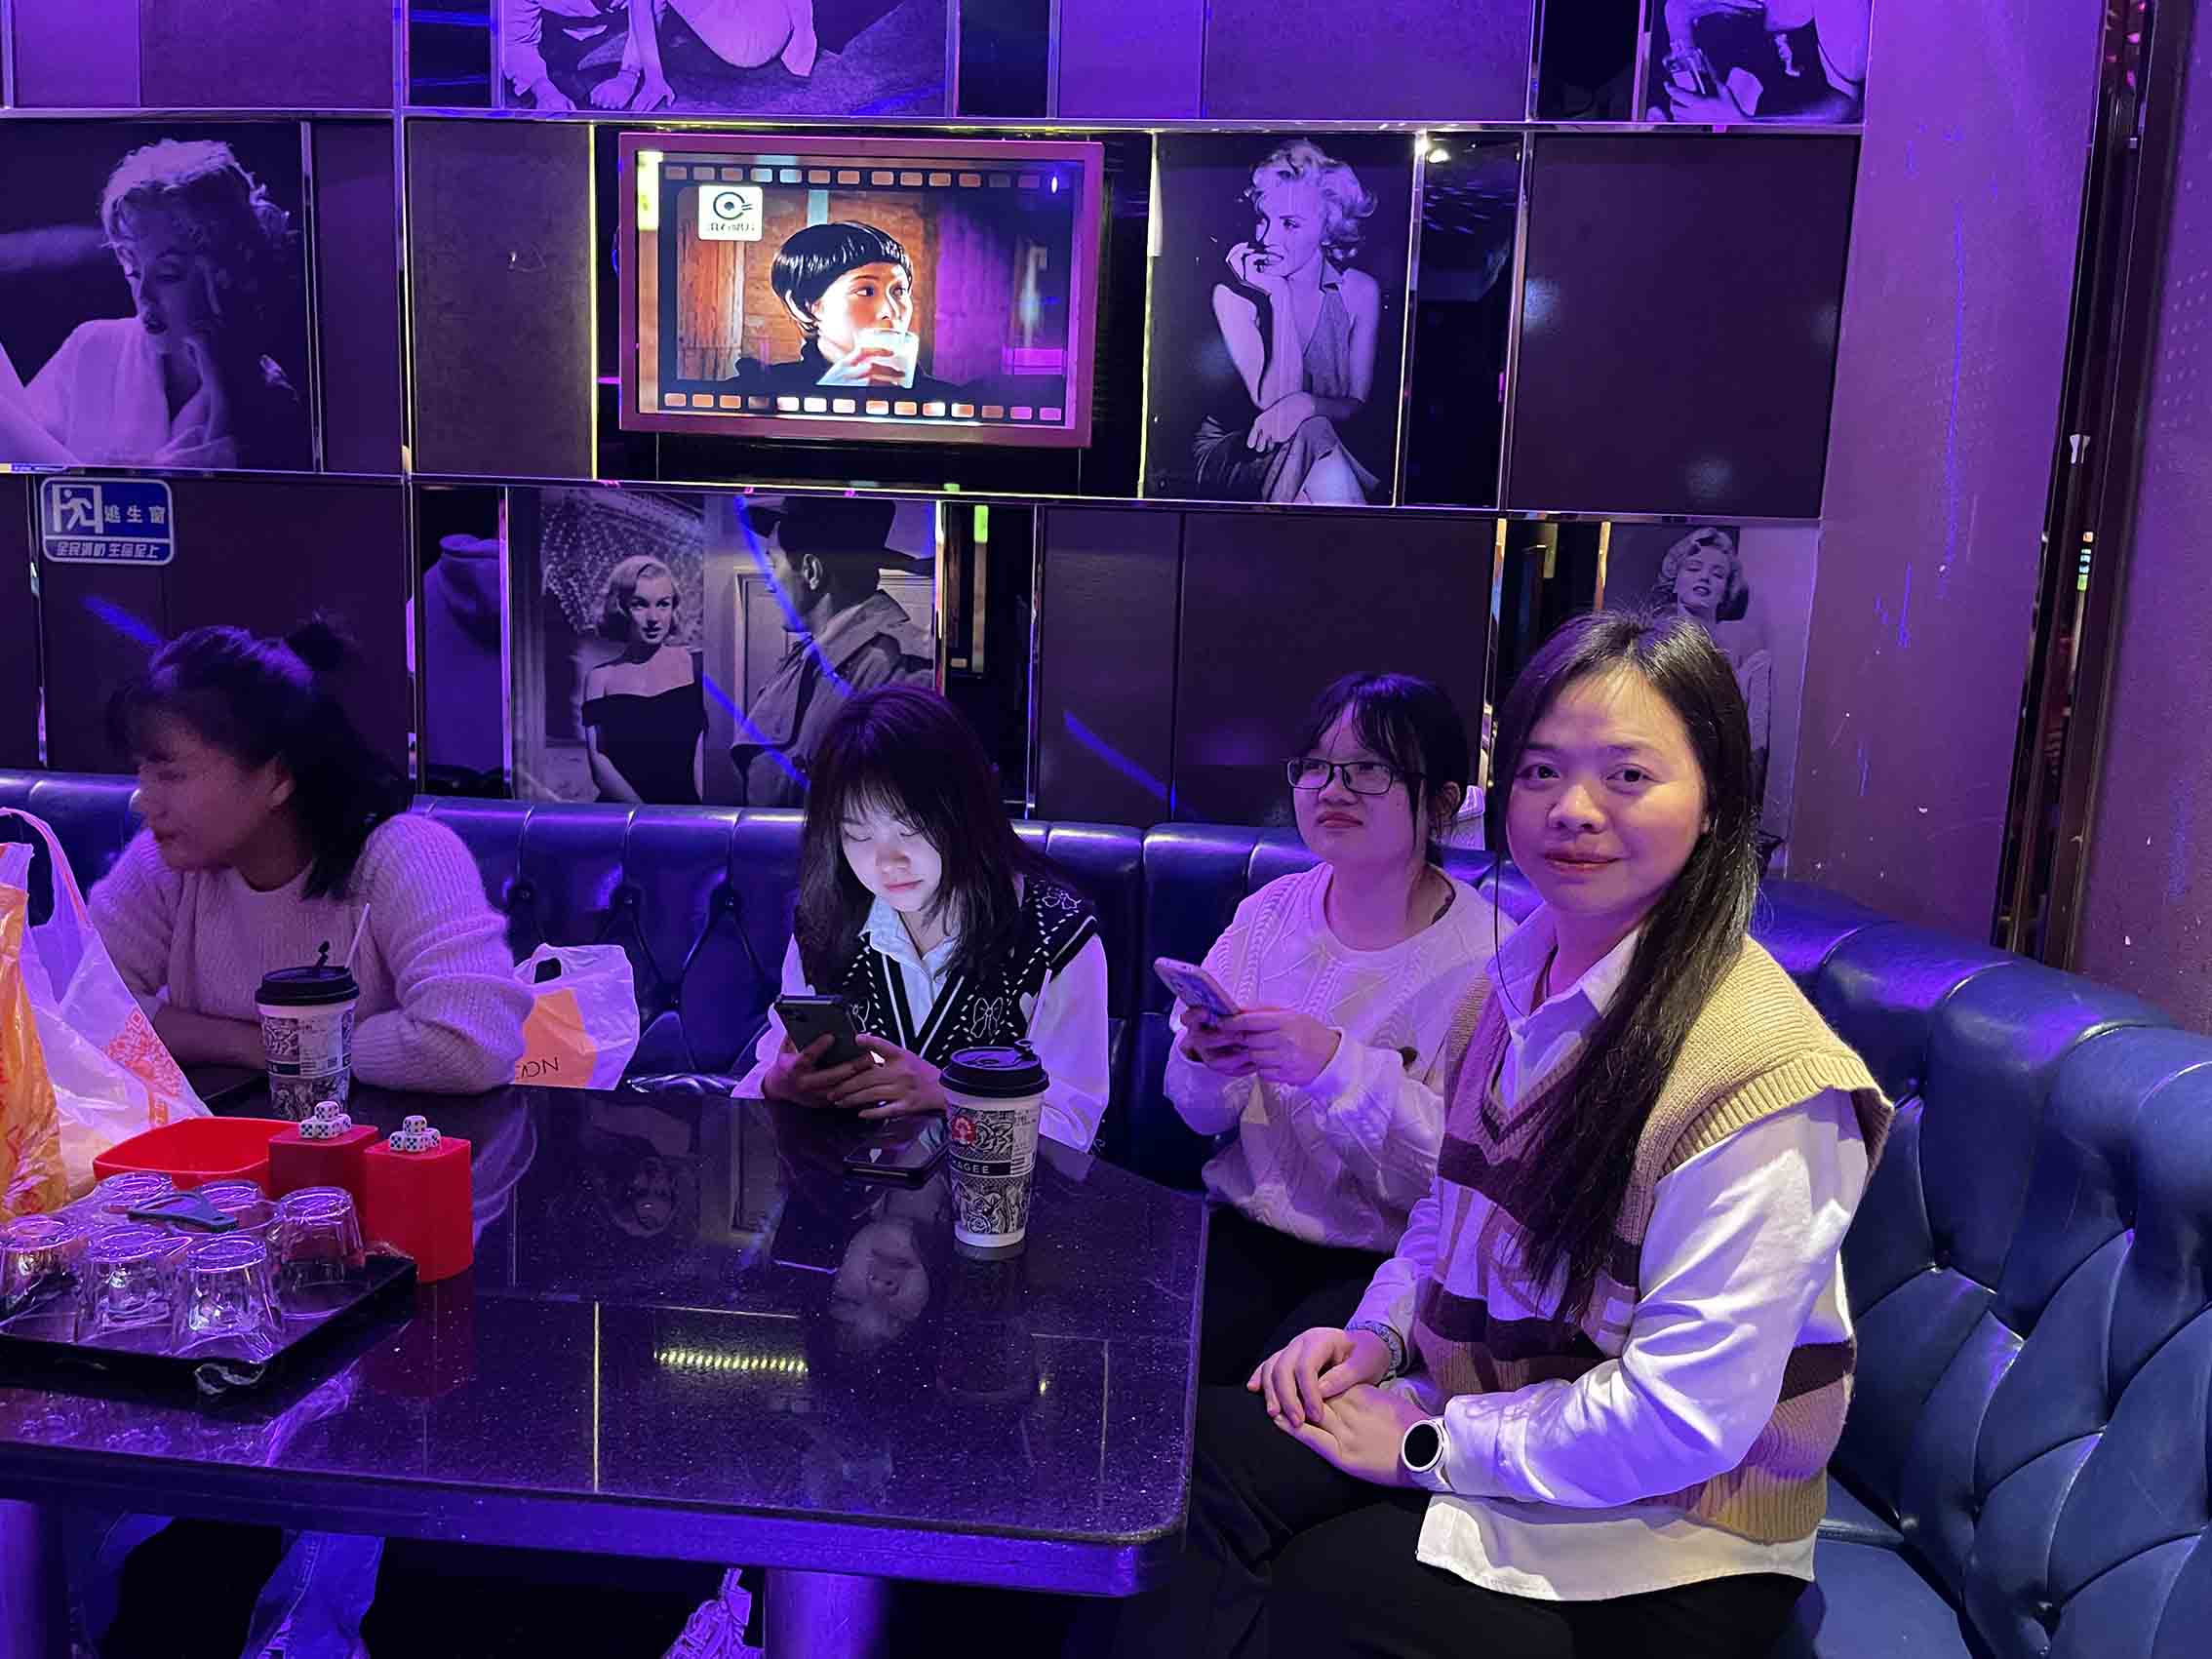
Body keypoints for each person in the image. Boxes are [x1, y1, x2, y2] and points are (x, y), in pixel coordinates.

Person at [1129, 610, 1891, 1658]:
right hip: (1489, 1417)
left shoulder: (1763, 1079)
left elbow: (1681, 1420)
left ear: (1715, 800)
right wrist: (1378, 1337)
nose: (1573, 807)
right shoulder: (1513, 980)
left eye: (1628, 775)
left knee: (1319, 1590)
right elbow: (1448, 1210)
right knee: (1175, 1471)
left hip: (1671, 1535)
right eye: (1540, 771)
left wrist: (1426, 1442)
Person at [78, 623, 529, 1659]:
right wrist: (271, 1039)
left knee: (346, 1404)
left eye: (171, 771)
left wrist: (225, 1034)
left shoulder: (396, 856)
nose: (144, 800)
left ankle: (308, 1632)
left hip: (390, 1233)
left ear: (274, 777)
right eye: (142, 771)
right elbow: (93, 1008)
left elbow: (472, 1038)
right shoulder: (170, 867)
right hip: (213, 1214)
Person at [1165, 673, 1503, 1387]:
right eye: (1316, 766)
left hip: (1383, 1270)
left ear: (1443, 802)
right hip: (1236, 1234)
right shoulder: (1270, 912)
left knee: (1263, 1415)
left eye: (1369, 769)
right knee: (1148, 1386)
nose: (1332, 789)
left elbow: (1459, 1174)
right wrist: (1205, 1057)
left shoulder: (1486, 955)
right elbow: (1198, 1116)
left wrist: (1332, 1065)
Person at [736, 685, 1110, 1154]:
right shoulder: (824, 923)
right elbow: (766, 1072)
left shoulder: (1057, 935)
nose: (887, 862)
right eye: (857, 835)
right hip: (849, 1191)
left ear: (966, 808)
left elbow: (1073, 1129)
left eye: (910, 828)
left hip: (997, 1198)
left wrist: (949, 1094)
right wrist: (780, 1085)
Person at [25, 138, 307, 470]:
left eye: (169, 274)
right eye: (132, 268)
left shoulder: (270, 396)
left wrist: (224, 392)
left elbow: (217, 495)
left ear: (226, 269)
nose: (143, 295)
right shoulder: (91, 347)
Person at [1192, 138, 1383, 505]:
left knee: (1314, 433)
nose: (1267, 237)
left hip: (1316, 444)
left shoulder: (1360, 292)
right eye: (1263, 219)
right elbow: (1273, 403)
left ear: (1328, 227)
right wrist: (1278, 297)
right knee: (1315, 437)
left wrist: (1306, 405)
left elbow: (1356, 402)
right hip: (1235, 450)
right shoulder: (1231, 295)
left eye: (1290, 223)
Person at [730, 496, 933, 808]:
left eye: (774, 565)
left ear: (812, 571)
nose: (770, 584)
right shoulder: (805, 659)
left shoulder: (903, 671)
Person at [722, 222, 964, 398]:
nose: (891, 311)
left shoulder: (951, 402)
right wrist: (824, 397)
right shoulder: (755, 392)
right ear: (805, 306)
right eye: (866, 291)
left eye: (899, 291)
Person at [1647, 527, 1773, 825]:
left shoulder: (1747, 655)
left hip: (1717, 798)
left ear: (1726, 591)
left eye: (1717, 574)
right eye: (1693, 568)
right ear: (1675, 580)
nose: (1704, 578)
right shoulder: (1648, 642)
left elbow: (1755, 742)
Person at [502, 0, 820, 111]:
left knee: (745, 49)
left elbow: (646, 9)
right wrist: (543, 90)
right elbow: (515, 41)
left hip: (757, 26)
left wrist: (630, 75)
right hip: (580, 36)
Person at [582, 554, 708, 805]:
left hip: (684, 815)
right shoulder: (600, 678)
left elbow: (704, 757)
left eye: (663, 604)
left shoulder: (696, 666)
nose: (653, 618)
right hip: (623, 818)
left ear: (673, 608)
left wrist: (700, 814)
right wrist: (645, 818)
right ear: (621, 609)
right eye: (640, 605)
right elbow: (599, 765)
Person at [1649, 0, 1869, 124]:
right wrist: (1678, 20)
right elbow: (1695, 107)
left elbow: (1851, 106)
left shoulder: (1839, 7)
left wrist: (1746, 123)